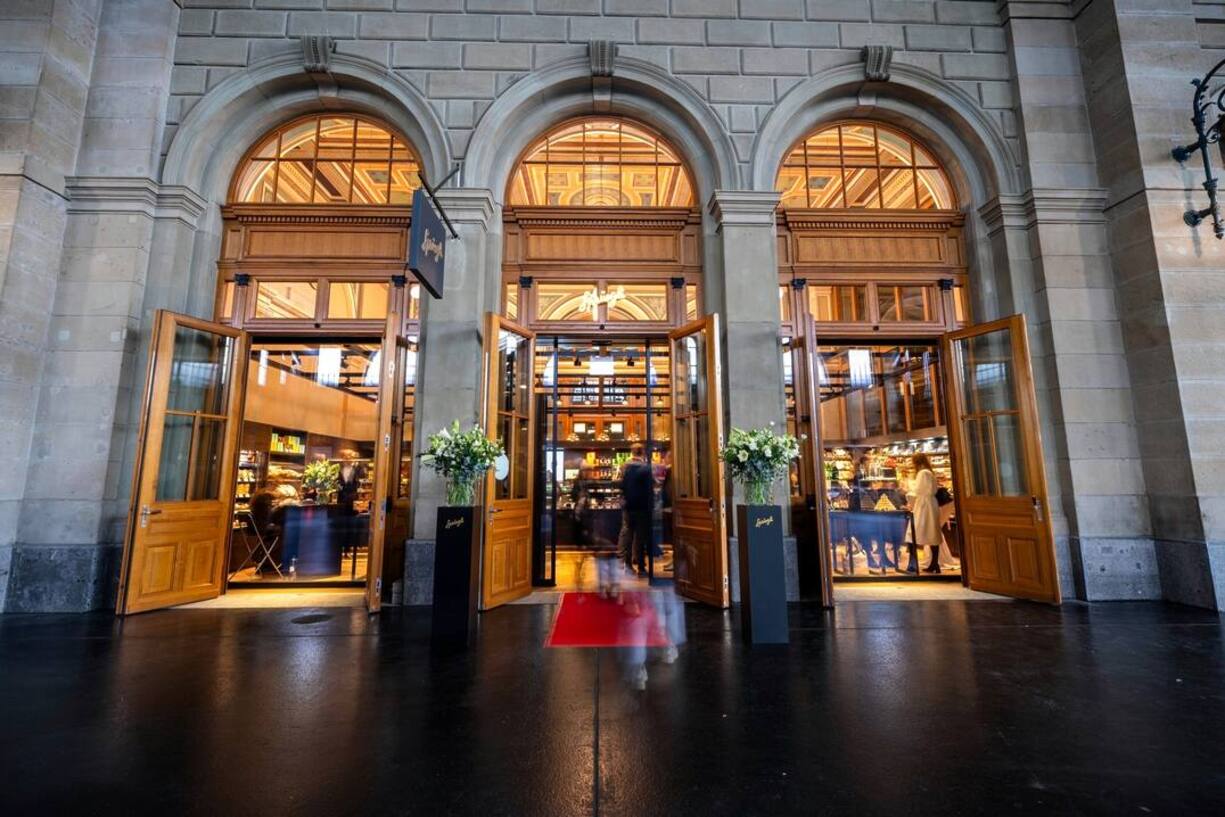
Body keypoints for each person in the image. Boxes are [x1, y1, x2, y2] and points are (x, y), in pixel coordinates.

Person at [619, 443, 655, 575]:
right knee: (640, 537)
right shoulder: (646, 468)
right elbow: (650, 489)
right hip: (642, 507)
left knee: (628, 535)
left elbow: (621, 485)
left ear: (632, 452)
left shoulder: (625, 467)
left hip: (629, 506)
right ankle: (641, 566)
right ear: (643, 452)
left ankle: (628, 566)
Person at [907, 452, 944, 573]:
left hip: (923, 506)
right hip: (930, 505)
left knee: (912, 534)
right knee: (932, 533)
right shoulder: (929, 473)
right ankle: (934, 564)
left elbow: (918, 490)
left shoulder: (922, 473)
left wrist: (908, 492)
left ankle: (912, 564)